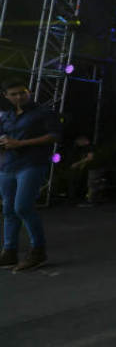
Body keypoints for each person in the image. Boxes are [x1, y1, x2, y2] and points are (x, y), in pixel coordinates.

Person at [0, 78, 61, 271]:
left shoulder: (44, 112)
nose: (19, 96)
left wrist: (21, 144)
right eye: (14, 94)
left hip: (32, 164)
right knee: (9, 210)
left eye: (22, 92)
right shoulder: (7, 116)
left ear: (29, 92)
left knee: (23, 207)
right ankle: (9, 252)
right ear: (6, 96)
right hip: (8, 165)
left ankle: (38, 250)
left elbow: (54, 136)